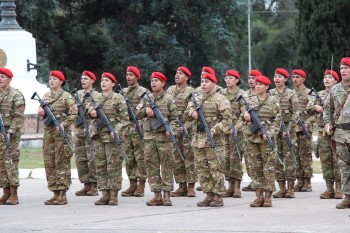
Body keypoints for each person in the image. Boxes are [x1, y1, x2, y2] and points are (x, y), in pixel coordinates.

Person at [184, 73, 231, 207]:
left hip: (214, 141)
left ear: (214, 84)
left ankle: (218, 196)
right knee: (202, 169)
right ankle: (209, 194)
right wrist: (191, 113)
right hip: (198, 140)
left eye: (207, 81)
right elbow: (185, 114)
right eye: (202, 81)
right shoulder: (196, 99)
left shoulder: (221, 99)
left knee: (215, 168)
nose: (203, 84)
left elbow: (227, 120)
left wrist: (216, 129)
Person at [136, 71, 178, 206]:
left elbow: (175, 119)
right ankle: (156, 194)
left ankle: (167, 195)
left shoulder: (169, 99)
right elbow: (137, 114)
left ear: (163, 83)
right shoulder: (146, 98)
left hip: (164, 138)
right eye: (152, 81)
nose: (153, 83)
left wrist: (170, 130)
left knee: (167, 165)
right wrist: (146, 111)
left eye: (156, 81)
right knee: (151, 165)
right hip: (149, 137)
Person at [87, 72, 128, 206]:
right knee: (100, 166)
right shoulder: (96, 97)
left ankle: (114, 195)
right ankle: (104, 194)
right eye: (102, 80)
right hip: (98, 137)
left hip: (112, 138)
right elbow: (88, 108)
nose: (103, 82)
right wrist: (91, 112)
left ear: (113, 83)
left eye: (106, 80)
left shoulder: (118, 98)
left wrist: (116, 131)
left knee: (113, 166)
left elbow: (125, 118)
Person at [241, 75, 281, 207]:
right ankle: (258, 196)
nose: (257, 86)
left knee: (268, 168)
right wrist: (245, 116)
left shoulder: (273, 101)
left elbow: (278, 120)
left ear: (267, 87)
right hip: (252, 139)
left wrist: (270, 132)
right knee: (255, 168)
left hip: (266, 138)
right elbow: (241, 117)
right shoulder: (249, 100)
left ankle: (268, 196)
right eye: (256, 84)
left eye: (260, 84)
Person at [38, 70, 76, 205]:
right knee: (50, 163)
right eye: (50, 79)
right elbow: (41, 113)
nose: (51, 81)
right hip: (49, 133)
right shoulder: (46, 96)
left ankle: (62, 194)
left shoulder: (67, 97)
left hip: (61, 134)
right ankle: (54, 192)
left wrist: (63, 124)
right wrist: (41, 113)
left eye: (54, 79)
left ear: (61, 81)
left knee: (62, 163)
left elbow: (73, 114)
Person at [308, 69, 342, 199]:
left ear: (336, 80)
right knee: (325, 160)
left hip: (337, 130)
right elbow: (308, 108)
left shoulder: (340, 93)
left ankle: (339, 188)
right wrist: (316, 108)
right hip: (323, 131)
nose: (326, 79)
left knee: (337, 160)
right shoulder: (319, 94)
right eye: (325, 77)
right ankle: (329, 188)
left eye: (330, 77)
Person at [324, 57, 350, 209]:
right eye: (341, 68)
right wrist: (327, 123)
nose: (343, 71)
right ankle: (347, 196)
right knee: (344, 166)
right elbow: (328, 109)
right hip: (340, 134)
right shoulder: (335, 89)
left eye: (346, 68)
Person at [167, 66, 197, 197]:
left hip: (187, 127)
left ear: (187, 77)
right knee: (176, 158)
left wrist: (187, 124)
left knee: (189, 157)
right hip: (173, 127)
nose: (177, 75)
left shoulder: (191, 91)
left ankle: (191, 186)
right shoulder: (170, 90)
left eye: (181, 74)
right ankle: (181, 185)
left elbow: (193, 108)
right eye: (176, 73)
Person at [270, 68, 299, 198]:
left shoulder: (291, 93)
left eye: (280, 76)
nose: (277, 79)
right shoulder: (270, 93)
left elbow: (296, 113)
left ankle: (290, 188)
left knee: (289, 158)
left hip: (288, 129)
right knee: (277, 159)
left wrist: (289, 129)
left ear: (285, 79)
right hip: (275, 129)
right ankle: (281, 188)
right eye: (275, 76)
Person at [121, 66, 148, 197]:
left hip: (138, 128)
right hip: (126, 129)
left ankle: (141, 184)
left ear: (137, 77)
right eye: (127, 74)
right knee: (129, 157)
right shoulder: (123, 92)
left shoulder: (143, 92)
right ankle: (132, 183)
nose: (128, 77)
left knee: (140, 156)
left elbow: (142, 109)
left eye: (131, 75)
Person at [0, 68, 25, 205]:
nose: (0, 79)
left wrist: (11, 131)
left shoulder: (16, 95)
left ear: (9, 79)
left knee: (10, 162)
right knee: (1, 163)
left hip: (10, 133)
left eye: (3, 76)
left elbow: (19, 116)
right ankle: (5, 192)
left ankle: (14, 193)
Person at [74, 70, 99, 197]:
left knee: (92, 158)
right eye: (82, 78)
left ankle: (94, 185)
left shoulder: (96, 95)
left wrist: (89, 127)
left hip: (91, 130)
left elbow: (97, 115)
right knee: (80, 159)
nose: (83, 80)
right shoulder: (77, 94)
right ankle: (86, 184)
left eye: (86, 78)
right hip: (79, 130)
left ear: (92, 81)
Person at [222, 69, 244, 198]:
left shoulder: (241, 94)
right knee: (225, 159)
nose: (228, 80)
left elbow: (244, 113)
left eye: (231, 78)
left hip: (237, 131)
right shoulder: (221, 94)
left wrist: (236, 127)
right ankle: (229, 186)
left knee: (235, 158)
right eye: (226, 78)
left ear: (237, 80)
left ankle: (237, 187)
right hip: (224, 129)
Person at [292, 69, 314, 192]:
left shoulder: (308, 93)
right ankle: (299, 180)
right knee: (295, 155)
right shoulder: (290, 93)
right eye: (293, 77)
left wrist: (308, 122)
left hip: (305, 128)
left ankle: (307, 182)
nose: (295, 79)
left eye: (298, 77)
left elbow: (314, 113)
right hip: (293, 129)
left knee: (305, 155)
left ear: (303, 79)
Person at [242, 69, 262, 192]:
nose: (250, 80)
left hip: (259, 131)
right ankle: (253, 181)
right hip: (247, 130)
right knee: (249, 157)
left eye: (253, 78)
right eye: (249, 78)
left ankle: (261, 182)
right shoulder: (244, 95)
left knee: (260, 158)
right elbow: (240, 111)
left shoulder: (262, 95)